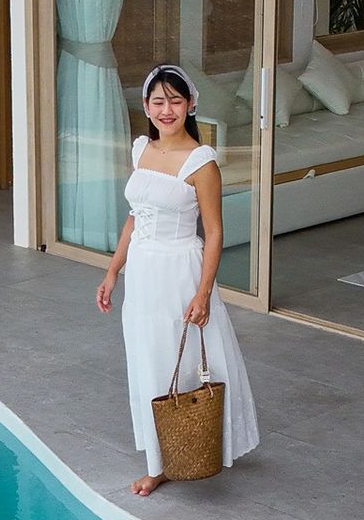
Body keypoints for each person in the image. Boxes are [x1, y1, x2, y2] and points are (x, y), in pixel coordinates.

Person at [96, 64, 259, 495]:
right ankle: (161, 456)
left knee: (182, 359)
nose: (166, 109)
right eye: (157, 101)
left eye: (175, 100)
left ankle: (188, 449)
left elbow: (215, 231)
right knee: (148, 359)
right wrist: (114, 271)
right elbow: (135, 217)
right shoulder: (140, 151)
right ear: (146, 107)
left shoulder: (200, 162)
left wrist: (203, 293)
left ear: (189, 106)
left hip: (180, 270)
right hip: (144, 275)